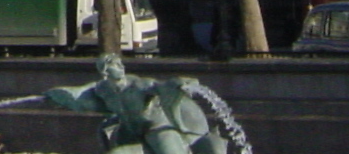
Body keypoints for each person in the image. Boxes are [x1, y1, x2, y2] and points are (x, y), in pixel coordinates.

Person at [44, 53, 226, 154]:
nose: (120, 67)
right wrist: (59, 97)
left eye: (115, 66)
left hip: (158, 129)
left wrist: (178, 82)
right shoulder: (102, 89)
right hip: (129, 131)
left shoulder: (139, 85)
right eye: (108, 68)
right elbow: (82, 98)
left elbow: (161, 87)